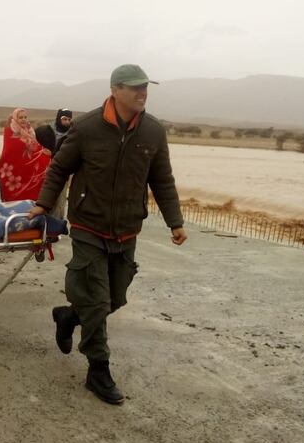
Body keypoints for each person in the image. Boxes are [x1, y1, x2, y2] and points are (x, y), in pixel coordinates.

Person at [28, 64, 188, 405]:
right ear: (115, 90)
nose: (142, 92)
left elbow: (162, 179)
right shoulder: (87, 127)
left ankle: (69, 316)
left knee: (115, 298)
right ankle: (98, 369)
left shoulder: (153, 131)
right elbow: (60, 168)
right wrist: (43, 204)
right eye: (135, 87)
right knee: (97, 300)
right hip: (89, 225)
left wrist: (175, 221)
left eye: (145, 86)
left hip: (127, 229)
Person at [0, 108, 52, 202]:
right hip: (13, 168)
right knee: (12, 192)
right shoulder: (10, 130)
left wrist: (44, 153)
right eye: (20, 117)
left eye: (25, 117)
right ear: (15, 118)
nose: (24, 119)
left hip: (25, 169)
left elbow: (35, 146)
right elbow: (12, 150)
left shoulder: (29, 130)